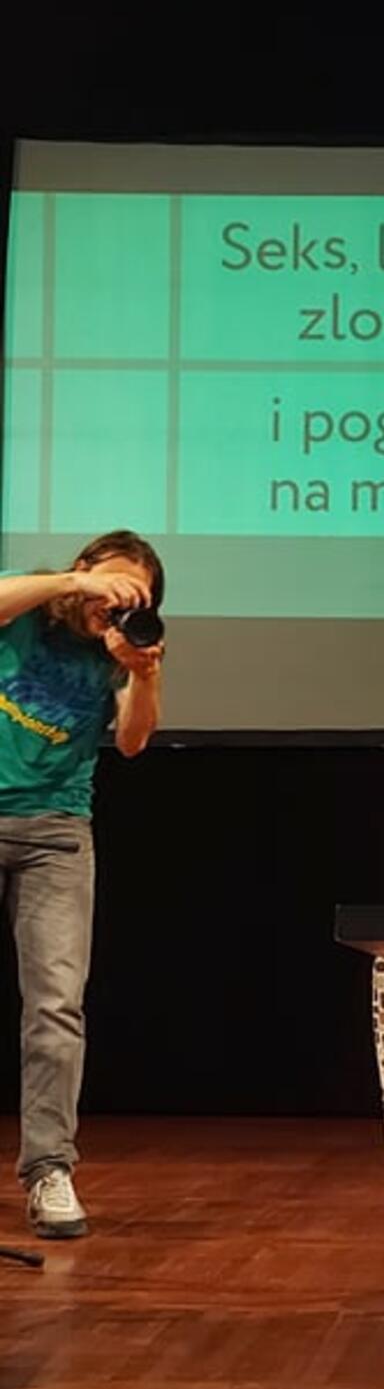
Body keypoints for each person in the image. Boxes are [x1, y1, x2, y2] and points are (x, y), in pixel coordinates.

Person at [0, 530, 164, 1238]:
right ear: (82, 572)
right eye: (112, 586)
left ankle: (49, 1171)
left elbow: (132, 741)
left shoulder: (120, 653)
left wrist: (143, 674)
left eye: (134, 597)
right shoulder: (29, 607)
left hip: (58, 834)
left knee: (56, 1009)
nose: (115, 603)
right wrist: (78, 585)